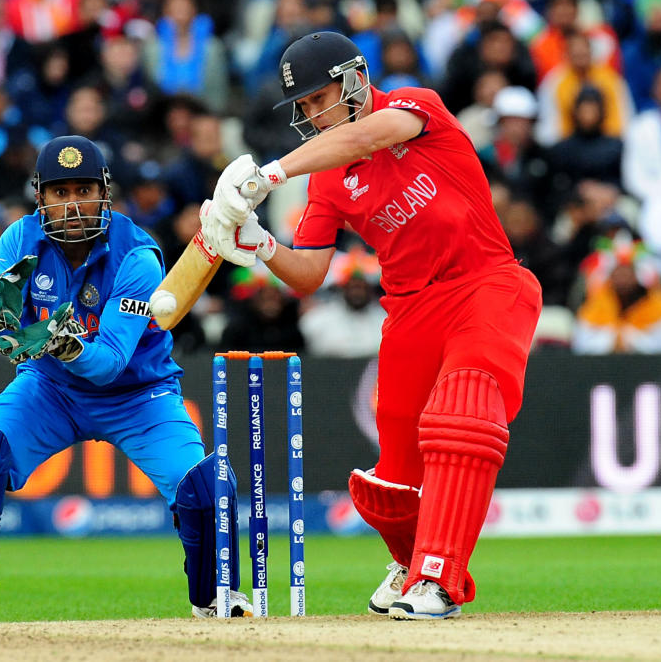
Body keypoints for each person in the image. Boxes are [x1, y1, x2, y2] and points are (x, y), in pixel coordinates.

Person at [199, 31, 542, 620]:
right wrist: (258, 245)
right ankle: (412, 564)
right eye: (301, 108)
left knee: (460, 416)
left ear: (354, 79)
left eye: (317, 98)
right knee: (390, 484)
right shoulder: (329, 179)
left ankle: (439, 579)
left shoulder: (415, 107)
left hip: (486, 284)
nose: (311, 115)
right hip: (409, 312)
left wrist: (265, 176)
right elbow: (308, 274)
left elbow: (364, 135)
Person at [0, 135, 251, 625]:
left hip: (139, 395)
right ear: (41, 198)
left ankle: (215, 597)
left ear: (105, 193)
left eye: (83, 190)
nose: (73, 204)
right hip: (49, 389)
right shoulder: (18, 240)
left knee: (205, 487)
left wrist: (66, 343)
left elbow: (111, 363)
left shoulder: (137, 256)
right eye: (60, 193)